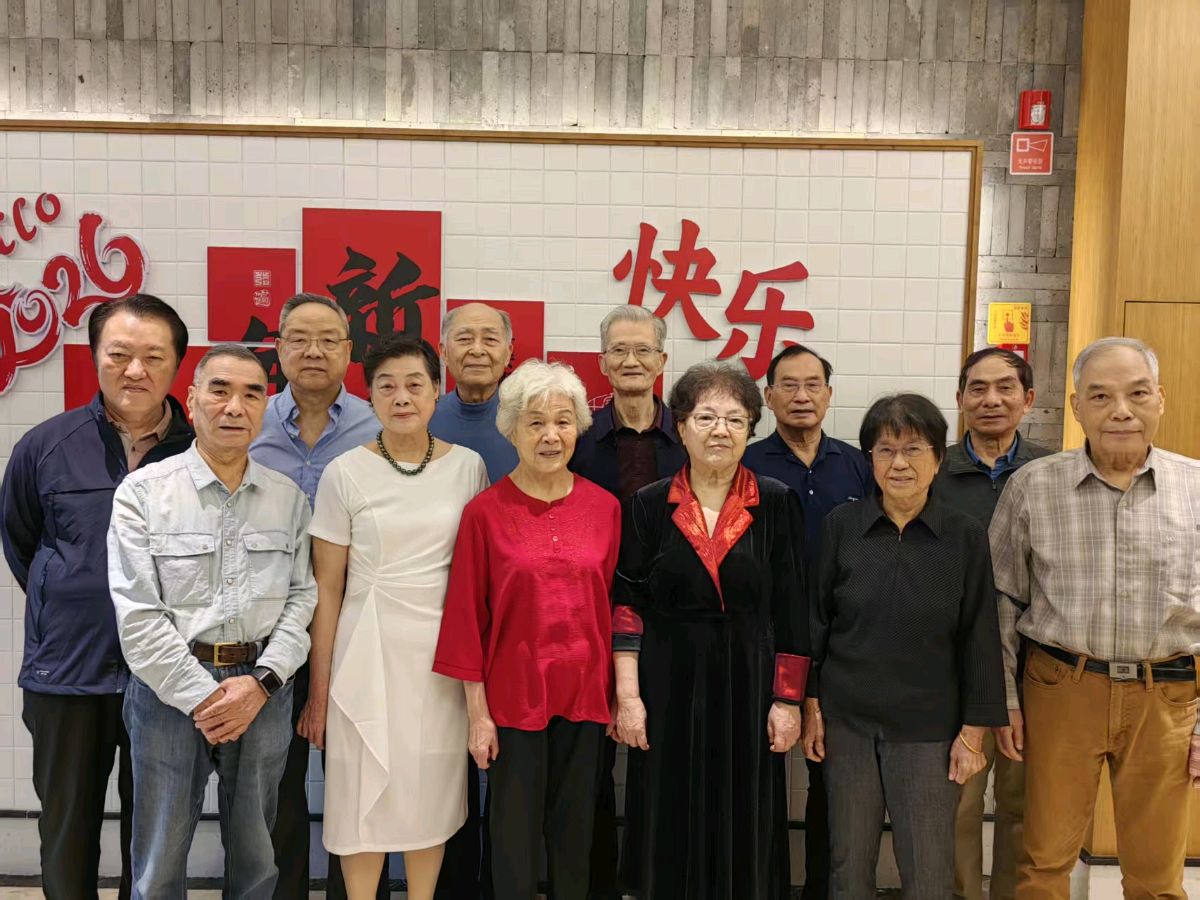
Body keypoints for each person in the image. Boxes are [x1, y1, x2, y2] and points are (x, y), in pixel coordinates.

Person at [989, 337, 1200, 900]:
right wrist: (1006, 698)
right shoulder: (1033, 486)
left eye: (1137, 394)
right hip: (1062, 688)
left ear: (1161, 398)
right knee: (1043, 864)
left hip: (1167, 697)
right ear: (1077, 406)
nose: (1121, 411)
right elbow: (1001, 600)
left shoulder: (1196, 487)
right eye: (1101, 396)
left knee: (1158, 877)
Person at [0, 294, 194, 900]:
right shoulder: (46, 445)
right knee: (66, 825)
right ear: (94, 357)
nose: (135, 370)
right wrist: (71, 602)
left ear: (176, 365)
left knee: (157, 833)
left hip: (166, 674)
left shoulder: (201, 451)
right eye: (119, 354)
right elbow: (23, 543)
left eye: (153, 357)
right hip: (68, 671)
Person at [108, 344, 317, 897]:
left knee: (258, 854)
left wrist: (262, 683)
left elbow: (302, 600)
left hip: (262, 691)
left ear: (265, 406)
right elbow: (137, 613)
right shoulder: (144, 493)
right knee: (158, 856)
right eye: (220, 391)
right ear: (193, 398)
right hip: (168, 693)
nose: (234, 407)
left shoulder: (288, 499)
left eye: (252, 394)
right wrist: (204, 697)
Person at [297, 336, 489, 900]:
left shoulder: (468, 467)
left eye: (414, 384)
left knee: (431, 792)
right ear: (370, 395)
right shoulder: (344, 472)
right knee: (361, 796)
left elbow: (476, 580)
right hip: (365, 651)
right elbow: (327, 588)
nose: (401, 397)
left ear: (437, 390)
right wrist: (318, 692)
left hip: (440, 660)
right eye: (387, 386)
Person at [611, 361, 809, 900]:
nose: (720, 430)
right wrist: (628, 697)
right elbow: (627, 607)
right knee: (667, 806)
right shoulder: (650, 504)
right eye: (706, 417)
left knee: (745, 809)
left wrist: (787, 701)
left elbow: (794, 609)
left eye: (735, 419)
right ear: (681, 427)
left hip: (750, 681)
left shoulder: (775, 501)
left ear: (750, 430)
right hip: (668, 682)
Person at [802, 393, 1007, 900]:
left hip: (930, 728)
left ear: (938, 459)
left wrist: (973, 732)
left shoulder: (964, 536)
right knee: (848, 862)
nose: (899, 463)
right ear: (869, 459)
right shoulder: (842, 527)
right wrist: (811, 703)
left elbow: (981, 634)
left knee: (929, 867)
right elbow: (816, 622)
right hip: (848, 724)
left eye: (913, 449)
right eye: (885, 450)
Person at [434, 360, 621, 900]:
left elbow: (615, 607)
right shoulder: (484, 513)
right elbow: (466, 619)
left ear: (578, 428)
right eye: (535, 423)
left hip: (586, 699)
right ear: (511, 430)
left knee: (576, 837)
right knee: (511, 840)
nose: (550, 435)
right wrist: (478, 716)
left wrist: (620, 695)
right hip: (512, 701)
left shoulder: (606, 509)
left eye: (563, 421)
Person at [250, 293, 383, 900]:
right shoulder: (248, 421)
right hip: (264, 631)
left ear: (349, 351)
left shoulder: (377, 427)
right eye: (299, 339)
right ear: (278, 348)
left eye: (328, 340)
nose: (313, 351)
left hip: (353, 629)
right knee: (275, 784)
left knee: (354, 780)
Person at [742, 344, 871, 900]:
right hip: (764, 638)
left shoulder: (858, 464)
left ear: (829, 394)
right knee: (756, 770)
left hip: (841, 642)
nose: (801, 396)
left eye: (812, 384)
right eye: (789, 385)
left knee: (832, 777)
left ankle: (822, 888)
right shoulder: (746, 464)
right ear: (768, 396)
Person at [568, 305, 686, 900]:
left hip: (674, 625)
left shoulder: (690, 437)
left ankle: (655, 881)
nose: (631, 360)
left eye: (643, 350)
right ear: (602, 363)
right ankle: (596, 886)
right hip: (589, 622)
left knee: (664, 763)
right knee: (590, 769)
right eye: (619, 350)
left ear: (662, 361)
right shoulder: (578, 440)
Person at [934, 348, 1050, 900]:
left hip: (1038, 666)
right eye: (977, 389)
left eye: (1005, 387)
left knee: (1022, 802)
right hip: (953, 664)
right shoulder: (934, 473)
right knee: (957, 800)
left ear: (1028, 399)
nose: (991, 400)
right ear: (960, 400)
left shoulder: (1051, 473)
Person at [429, 301, 518, 482]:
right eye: (464, 339)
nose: (477, 350)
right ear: (444, 352)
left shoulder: (528, 419)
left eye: (490, 340)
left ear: (508, 353)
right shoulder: (423, 418)